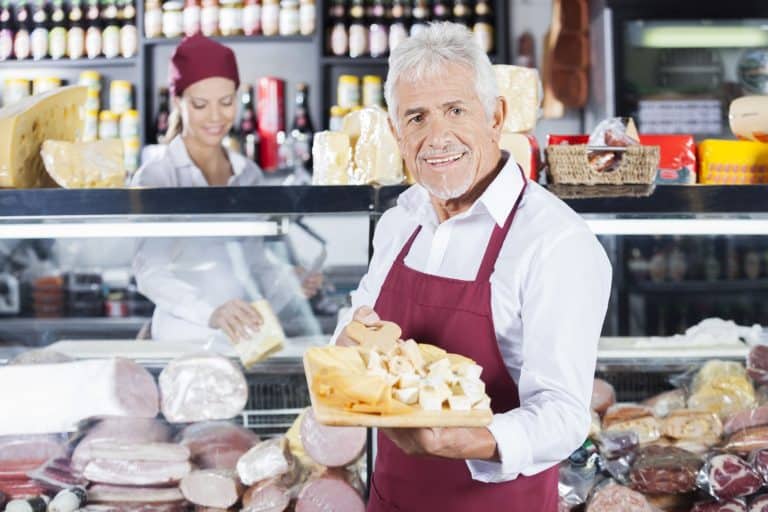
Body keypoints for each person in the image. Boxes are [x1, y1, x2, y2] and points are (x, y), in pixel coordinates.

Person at [332, 22, 612, 511]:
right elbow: (360, 318)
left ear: (496, 116)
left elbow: (565, 416)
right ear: (397, 132)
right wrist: (348, 343)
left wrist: (471, 439)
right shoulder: (402, 220)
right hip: (391, 499)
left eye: (456, 110)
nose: (437, 137)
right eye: (416, 118)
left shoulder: (554, 241)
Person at [131, 34, 322, 344]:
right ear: (178, 101)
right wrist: (211, 312)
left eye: (226, 102)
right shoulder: (158, 174)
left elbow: (255, 264)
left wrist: (288, 282)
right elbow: (150, 273)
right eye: (201, 104)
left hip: (243, 341)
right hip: (180, 342)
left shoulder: (248, 173)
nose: (216, 116)